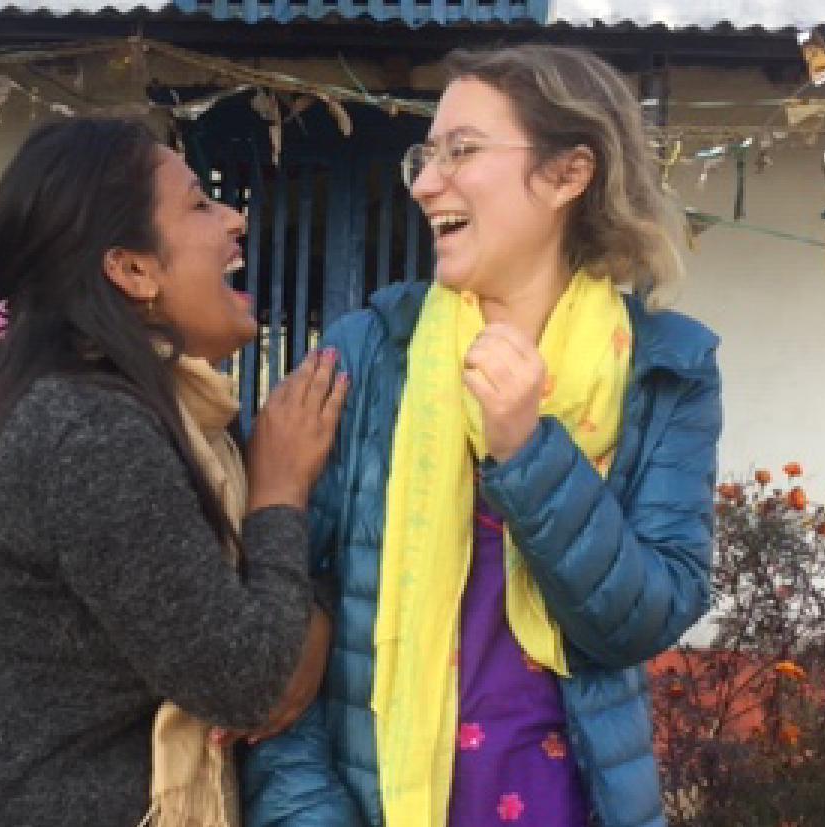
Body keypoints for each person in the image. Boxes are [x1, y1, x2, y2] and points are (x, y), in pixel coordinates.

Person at [242, 44, 723, 827]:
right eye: (425, 157)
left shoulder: (666, 369)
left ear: (570, 173)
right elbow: (281, 606)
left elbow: (643, 617)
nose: (428, 183)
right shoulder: (371, 352)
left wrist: (529, 451)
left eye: (462, 151)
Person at [0, 117, 345, 827]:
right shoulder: (88, 431)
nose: (235, 218)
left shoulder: (122, 414)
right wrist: (281, 491)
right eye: (199, 203)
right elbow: (250, 679)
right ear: (131, 269)